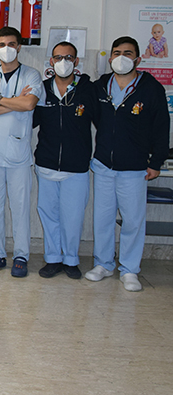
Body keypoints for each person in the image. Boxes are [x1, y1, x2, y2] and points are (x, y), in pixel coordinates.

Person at [86, 36, 169, 292]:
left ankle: (130, 269)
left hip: (134, 169)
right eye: (117, 52)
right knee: (102, 219)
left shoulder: (151, 88)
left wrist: (156, 161)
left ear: (137, 59)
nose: (122, 57)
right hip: (103, 166)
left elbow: (161, 128)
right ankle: (103, 263)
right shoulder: (100, 87)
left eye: (128, 53)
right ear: (110, 58)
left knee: (133, 220)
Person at [0, 26, 44, 278]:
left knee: (20, 206)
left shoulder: (32, 75)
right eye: (1, 44)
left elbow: (28, 103)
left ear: (19, 46)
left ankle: (21, 256)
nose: (6, 49)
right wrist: (12, 102)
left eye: (11, 44)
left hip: (18, 153)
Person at [33, 41, 97, 279]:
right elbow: (29, 120)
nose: (63, 62)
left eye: (68, 58)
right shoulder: (42, 89)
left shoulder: (87, 90)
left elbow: (102, 122)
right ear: (51, 61)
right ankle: (52, 259)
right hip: (46, 162)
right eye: (58, 58)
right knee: (48, 213)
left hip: (76, 166)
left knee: (73, 215)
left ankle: (71, 259)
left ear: (76, 62)